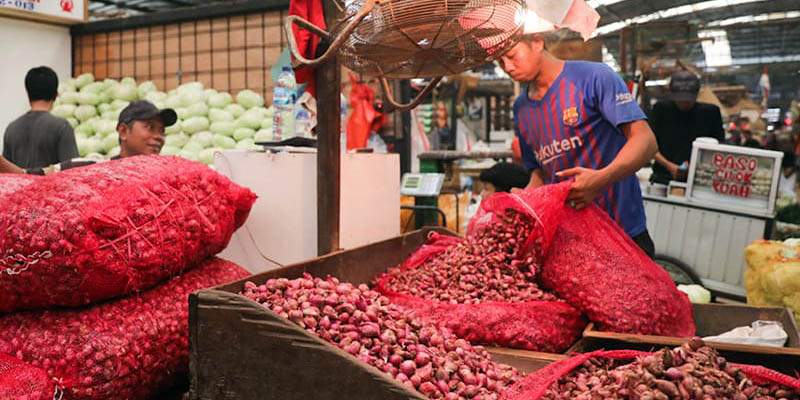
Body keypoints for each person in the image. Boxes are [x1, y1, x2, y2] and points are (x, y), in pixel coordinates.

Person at [498, 33, 658, 257]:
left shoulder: (594, 78)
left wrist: (602, 177)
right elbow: (540, 172)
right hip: (570, 243)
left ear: (536, 42)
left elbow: (646, 141)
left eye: (511, 56)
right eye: (499, 62)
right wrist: (525, 199)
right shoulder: (521, 108)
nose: (507, 67)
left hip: (623, 233)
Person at [0, 100, 175, 175]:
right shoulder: (93, 168)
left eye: (162, 131)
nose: (158, 137)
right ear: (123, 132)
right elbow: (29, 176)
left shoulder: (167, 177)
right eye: (149, 127)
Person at [649, 71, 724, 185]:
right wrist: (670, 166)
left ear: (697, 94)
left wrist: (693, 166)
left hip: (699, 181)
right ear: (672, 94)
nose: (684, 103)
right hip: (662, 178)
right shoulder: (661, 110)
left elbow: (718, 147)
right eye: (680, 99)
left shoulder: (710, 113)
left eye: (688, 100)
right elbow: (648, 145)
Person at [2, 66, 78, 169]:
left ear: (28, 93)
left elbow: (6, 175)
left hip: (21, 185)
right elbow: (73, 173)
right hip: (52, 186)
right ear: (55, 94)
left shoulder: (11, 129)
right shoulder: (62, 127)